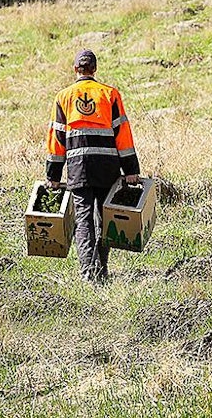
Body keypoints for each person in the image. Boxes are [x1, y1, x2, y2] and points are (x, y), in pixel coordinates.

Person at [45, 49, 140, 284]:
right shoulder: (110, 94)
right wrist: (131, 171)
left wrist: (53, 175)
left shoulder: (63, 97)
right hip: (107, 166)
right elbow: (123, 135)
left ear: (75, 69)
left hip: (78, 168)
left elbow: (56, 139)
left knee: (84, 219)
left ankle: (88, 272)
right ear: (95, 69)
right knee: (104, 217)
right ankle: (102, 268)